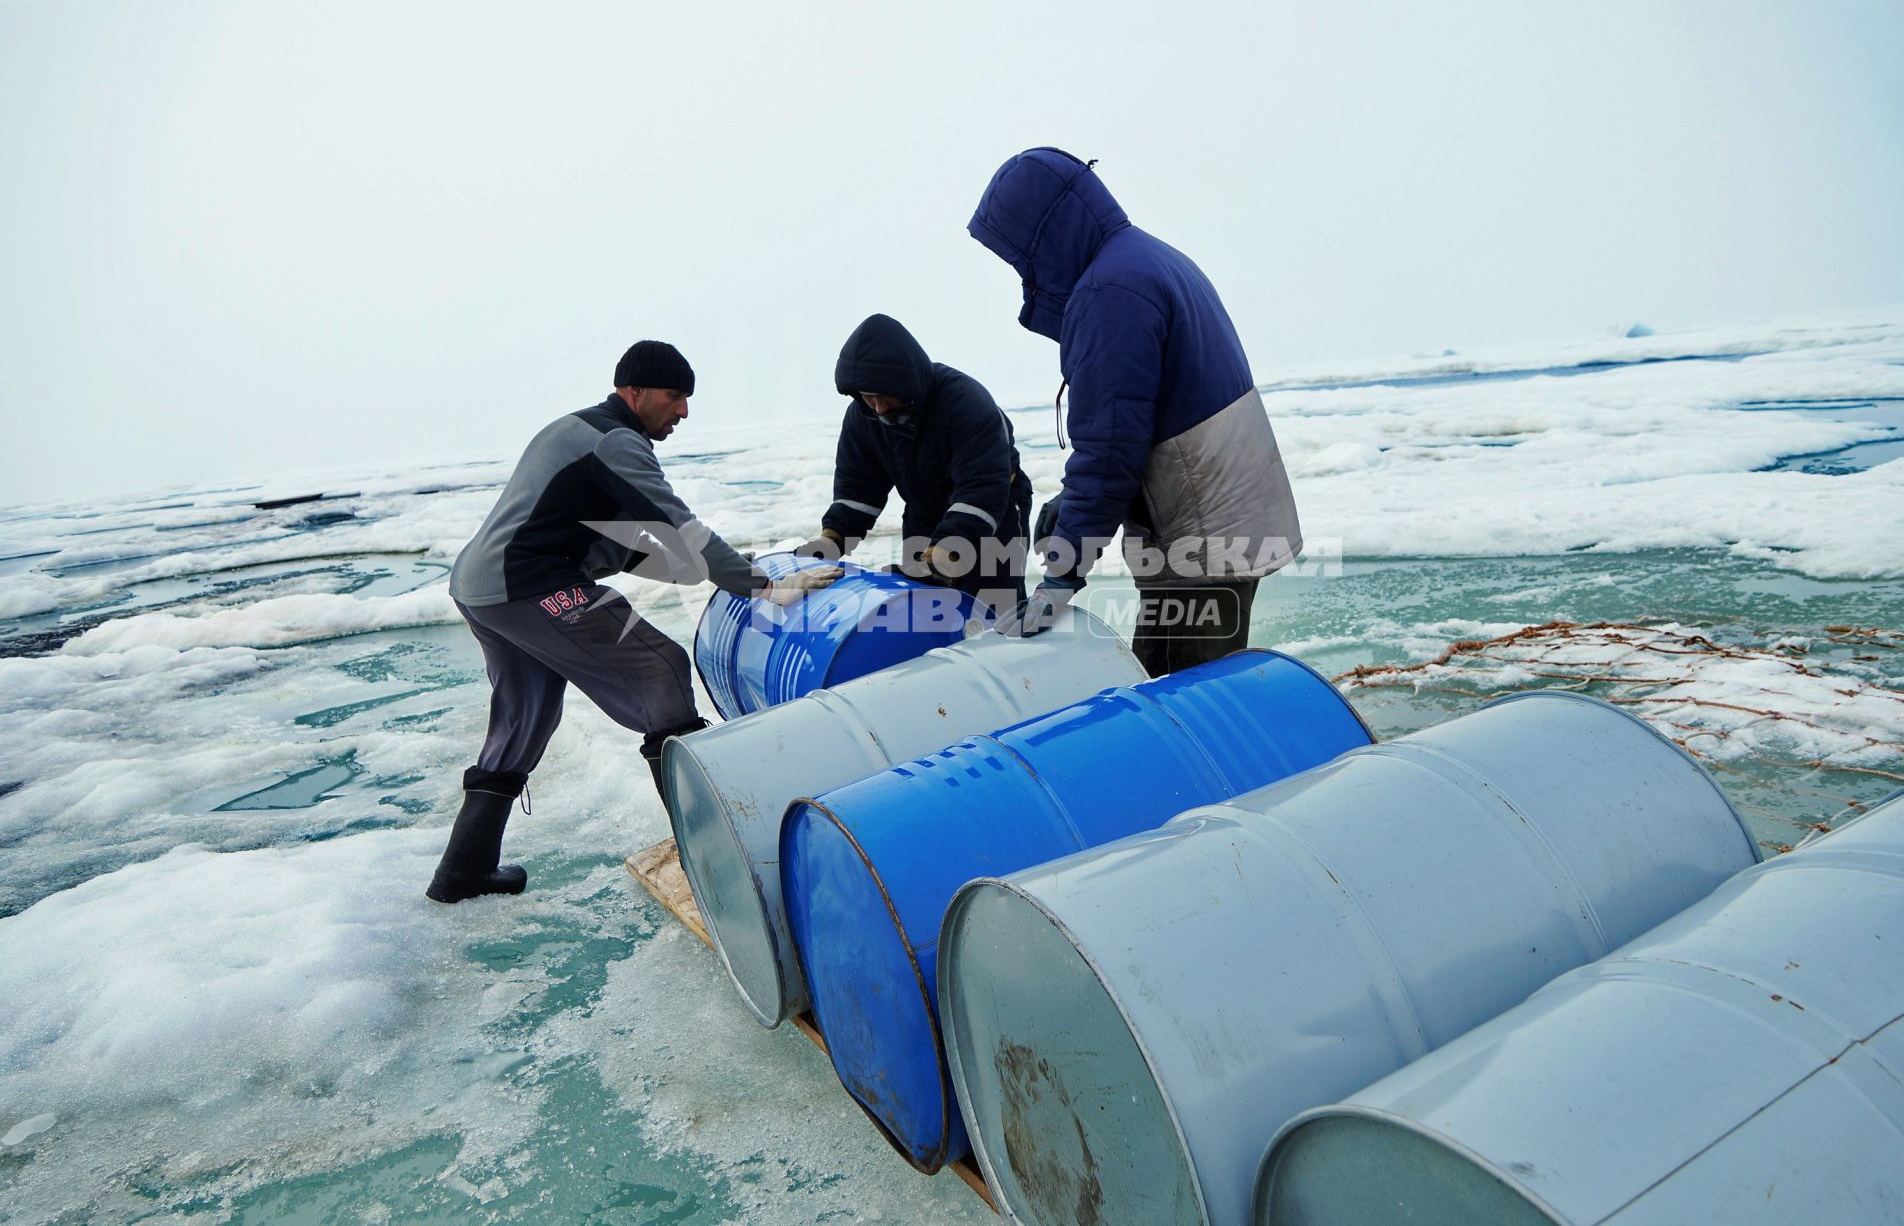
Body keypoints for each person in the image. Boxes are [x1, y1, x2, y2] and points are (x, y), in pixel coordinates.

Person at [430, 339, 840, 904]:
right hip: (530, 585)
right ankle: (715, 861)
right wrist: (762, 587)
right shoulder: (616, 441)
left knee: (526, 715)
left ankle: (462, 870)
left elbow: (619, 538)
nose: (684, 411)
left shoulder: (580, 430)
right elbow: (674, 521)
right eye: (675, 397)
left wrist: (724, 568)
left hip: (483, 588)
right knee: (660, 670)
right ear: (634, 391)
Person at [967, 147, 1301, 676]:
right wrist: (1072, 502)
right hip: (1216, 518)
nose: (1021, 271)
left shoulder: (1110, 292)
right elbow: (1142, 423)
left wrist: (1063, 576)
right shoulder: (1143, 259)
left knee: (1179, 697)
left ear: (1045, 235)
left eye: (1018, 255)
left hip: (1202, 538)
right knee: (1183, 681)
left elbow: (1109, 449)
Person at [799, 313, 1033, 619]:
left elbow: (982, 491)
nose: (879, 408)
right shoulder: (863, 417)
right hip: (924, 512)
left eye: (884, 395)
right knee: (925, 608)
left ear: (907, 382)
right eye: (869, 397)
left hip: (993, 512)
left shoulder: (967, 404)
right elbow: (858, 491)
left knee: (993, 609)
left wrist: (942, 558)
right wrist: (832, 540)